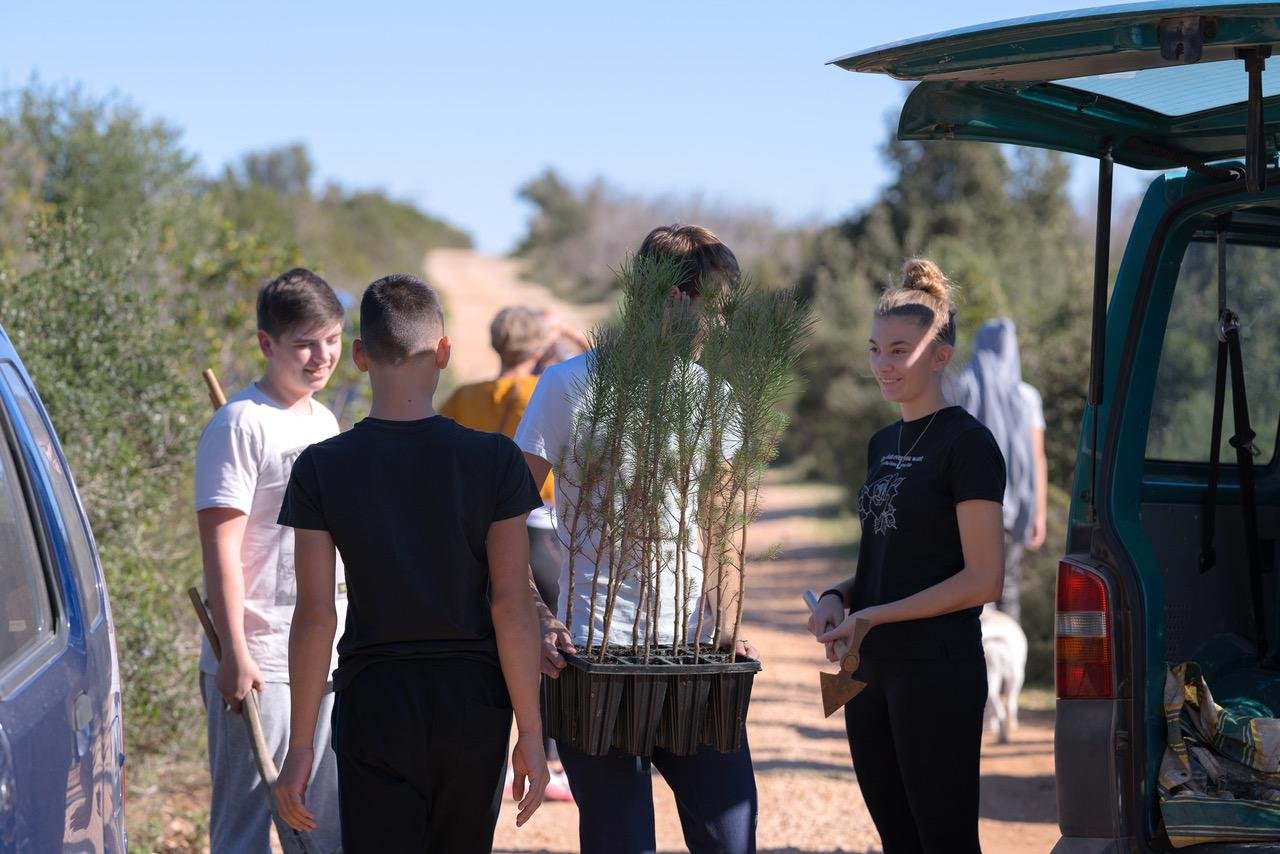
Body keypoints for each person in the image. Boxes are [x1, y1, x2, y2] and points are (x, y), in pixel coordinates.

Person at [272, 273, 548, 852]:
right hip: (473, 701)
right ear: (443, 352)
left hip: (374, 700)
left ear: (359, 357)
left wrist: (300, 748)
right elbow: (510, 602)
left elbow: (316, 614)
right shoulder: (494, 461)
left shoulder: (322, 468)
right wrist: (530, 729)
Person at [518, 224, 760, 854]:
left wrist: (727, 627)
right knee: (621, 841)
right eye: (719, 312)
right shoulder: (568, 384)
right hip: (592, 659)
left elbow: (722, 529)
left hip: (689, 659)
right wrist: (539, 616)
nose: (724, 329)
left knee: (730, 836)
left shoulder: (716, 399)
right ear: (678, 302)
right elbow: (503, 516)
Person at [807, 258, 1005, 853]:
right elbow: (891, 557)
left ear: (939, 355)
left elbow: (983, 579)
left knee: (944, 841)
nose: (882, 365)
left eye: (899, 350)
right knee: (897, 839)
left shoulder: (968, 445)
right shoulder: (882, 442)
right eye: (875, 350)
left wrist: (873, 615)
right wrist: (844, 596)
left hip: (937, 671)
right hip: (868, 670)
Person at [194, 267, 346, 853]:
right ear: (266, 344)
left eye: (331, 339)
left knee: (318, 821)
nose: (321, 355)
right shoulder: (238, 424)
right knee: (245, 823)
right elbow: (221, 549)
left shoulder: (325, 421)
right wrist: (234, 651)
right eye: (305, 341)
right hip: (257, 658)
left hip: (321, 651)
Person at [439, 305, 573, 801]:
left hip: (469, 533)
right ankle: (551, 757)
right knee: (550, 644)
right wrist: (568, 335)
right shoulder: (547, 388)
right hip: (536, 529)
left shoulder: (463, 396)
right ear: (538, 347)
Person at [948, 317, 1048, 622]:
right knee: (1008, 589)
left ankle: (973, 665)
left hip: (963, 509)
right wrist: (1038, 514)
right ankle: (1008, 665)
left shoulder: (959, 388)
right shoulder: (1026, 397)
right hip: (1011, 507)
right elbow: (1037, 456)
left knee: (968, 592)